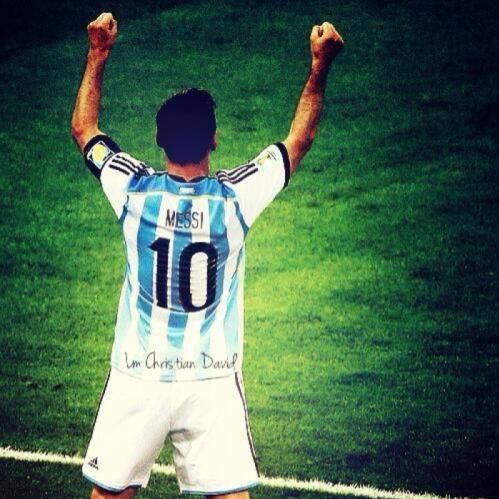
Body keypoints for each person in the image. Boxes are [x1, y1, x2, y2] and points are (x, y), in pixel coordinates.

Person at [71, 11, 343, 499]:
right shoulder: (235, 198)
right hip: (212, 379)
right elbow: (297, 142)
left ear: (159, 140)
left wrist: (98, 52)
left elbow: (84, 129)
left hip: (138, 374)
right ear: (214, 139)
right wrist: (319, 65)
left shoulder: (131, 188)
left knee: (110, 495)